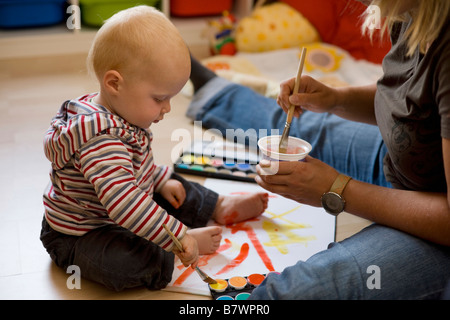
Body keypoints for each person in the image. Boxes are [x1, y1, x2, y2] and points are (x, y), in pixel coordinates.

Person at [187, 0, 450, 299]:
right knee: (311, 126)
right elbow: (410, 98)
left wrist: (337, 190)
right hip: (412, 164)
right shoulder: (412, 10)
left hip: (439, 226)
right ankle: (213, 91)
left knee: (312, 286)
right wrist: (336, 99)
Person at [39, 6, 269, 291]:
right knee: (122, 262)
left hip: (119, 207)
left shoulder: (119, 110)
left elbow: (134, 169)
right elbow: (124, 202)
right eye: (160, 98)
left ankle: (216, 205)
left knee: (173, 183)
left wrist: (159, 180)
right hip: (82, 234)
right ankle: (170, 249)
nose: (168, 108)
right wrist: (178, 235)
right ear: (114, 84)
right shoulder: (99, 139)